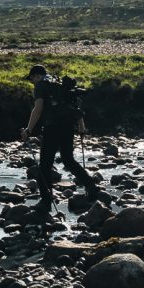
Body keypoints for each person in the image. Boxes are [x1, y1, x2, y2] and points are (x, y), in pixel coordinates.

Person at [19, 64, 99, 211]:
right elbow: (75, 106)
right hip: (68, 125)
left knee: (45, 165)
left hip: (52, 127)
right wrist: (81, 127)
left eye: (32, 79)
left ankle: (46, 201)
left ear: (36, 75)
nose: (32, 82)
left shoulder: (41, 86)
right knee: (68, 160)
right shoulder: (59, 83)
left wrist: (28, 130)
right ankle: (91, 186)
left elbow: (38, 108)